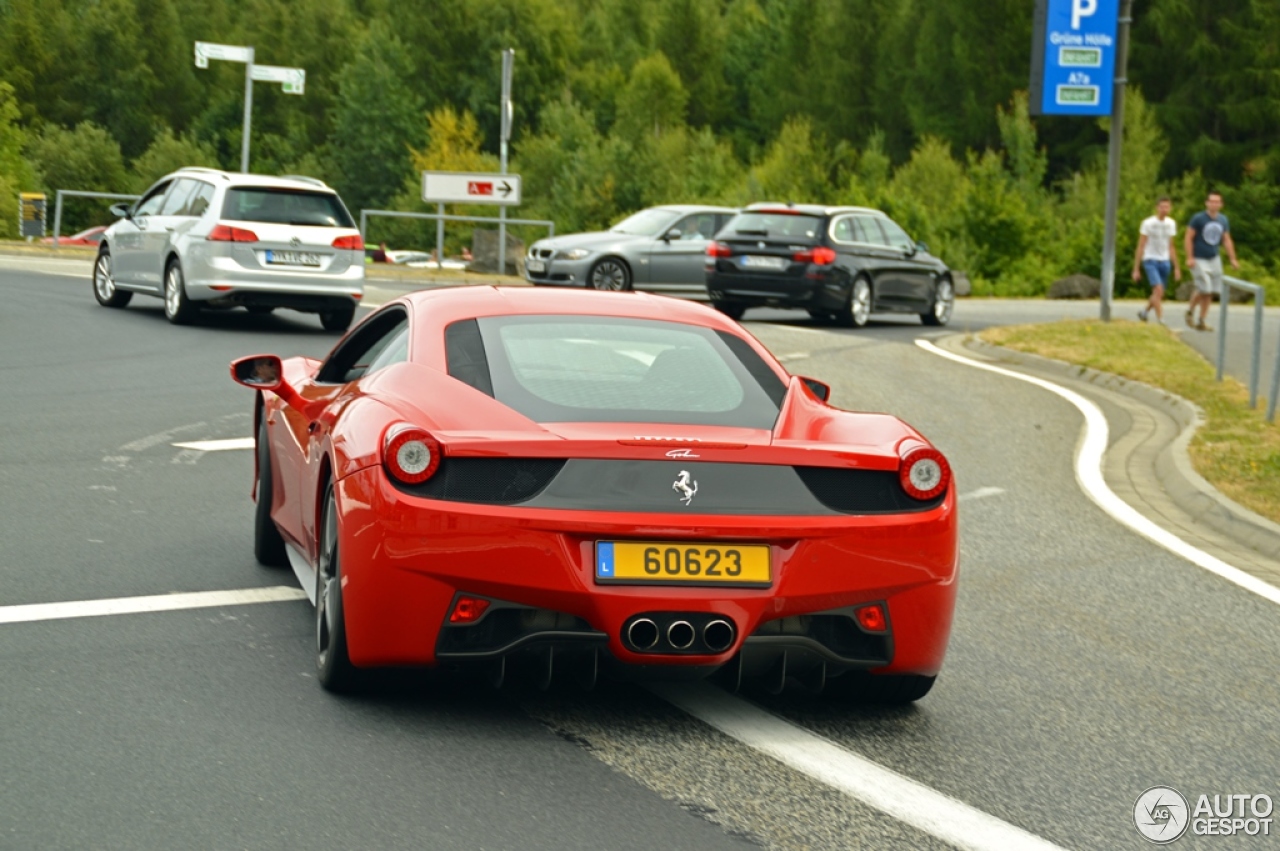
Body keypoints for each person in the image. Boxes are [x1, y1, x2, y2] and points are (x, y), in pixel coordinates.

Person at [1184, 189, 1239, 331]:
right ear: (1207, 203)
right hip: (1199, 257)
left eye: (1217, 202)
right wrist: (1189, 257)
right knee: (1205, 288)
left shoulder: (1223, 220)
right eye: (1212, 201)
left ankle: (1202, 320)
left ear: (1221, 204)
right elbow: (1189, 238)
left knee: (1212, 290)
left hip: (1214, 257)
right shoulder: (1198, 219)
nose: (1214, 204)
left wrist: (1232, 258)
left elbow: (1226, 240)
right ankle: (1190, 311)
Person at [1132, 196, 1181, 324]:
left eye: (1167, 207)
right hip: (1150, 259)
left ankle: (1145, 312)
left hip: (1164, 260)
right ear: (1157, 208)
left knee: (1159, 293)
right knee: (1158, 289)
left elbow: (1171, 246)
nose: (1164, 210)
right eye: (1162, 207)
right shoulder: (1148, 223)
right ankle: (1161, 319)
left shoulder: (1171, 223)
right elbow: (1141, 245)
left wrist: (1176, 267)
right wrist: (1136, 268)